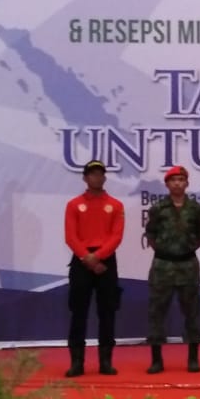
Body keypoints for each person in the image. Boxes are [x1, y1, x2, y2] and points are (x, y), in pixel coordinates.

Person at [63, 160, 125, 377]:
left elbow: (116, 236)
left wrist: (97, 257)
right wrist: (87, 258)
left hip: (106, 262)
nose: (96, 178)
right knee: (78, 312)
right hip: (81, 261)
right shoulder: (73, 205)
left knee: (107, 312)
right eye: (92, 174)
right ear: (85, 178)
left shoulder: (116, 205)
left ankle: (105, 361)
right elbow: (70, 236)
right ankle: (77, 362)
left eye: (100, 174)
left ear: (105, 178)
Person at [144, 166, 200, 374]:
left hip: (188, 265)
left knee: (192, 312)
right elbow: (150, 234)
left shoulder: (196, 209)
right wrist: (166, 251)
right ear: (167, 184)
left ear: (187, 183)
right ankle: (156, 360)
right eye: (173, 180)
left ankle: (193, 358)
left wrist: (185, 250)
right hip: (162, 266)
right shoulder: (158, 208)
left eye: (181, 179)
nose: (178, 183)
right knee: (157, 312)